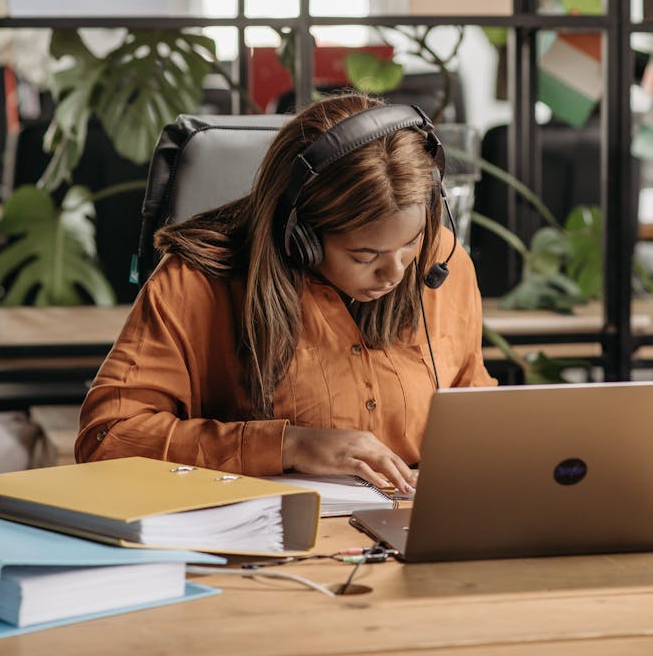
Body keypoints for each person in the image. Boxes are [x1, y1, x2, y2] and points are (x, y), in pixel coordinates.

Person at [75, 93, 496, 492]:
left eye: (409, 243)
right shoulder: (197, 281)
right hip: (266, 538)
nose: (396, 271)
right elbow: (108, 438)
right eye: (364, 255)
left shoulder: (439, 260)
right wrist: (289, 445)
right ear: (301, 236)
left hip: (409, 523)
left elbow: (473, 404)